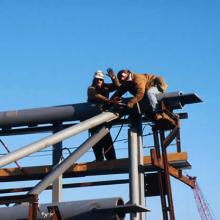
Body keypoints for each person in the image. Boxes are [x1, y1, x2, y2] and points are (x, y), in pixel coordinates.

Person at [87, 69, 120, 161]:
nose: (99, 81)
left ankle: (112, 159)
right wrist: (109, 101)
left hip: (104, 116)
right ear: (94, 79)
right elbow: (95, 95)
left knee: (106, 138)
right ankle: (99, 159)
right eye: (97, 79)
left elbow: (118, 86)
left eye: (100, 79)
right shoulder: (91, 88)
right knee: (95, 138)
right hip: (93, 117)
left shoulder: (106, 87)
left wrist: (114, 78)